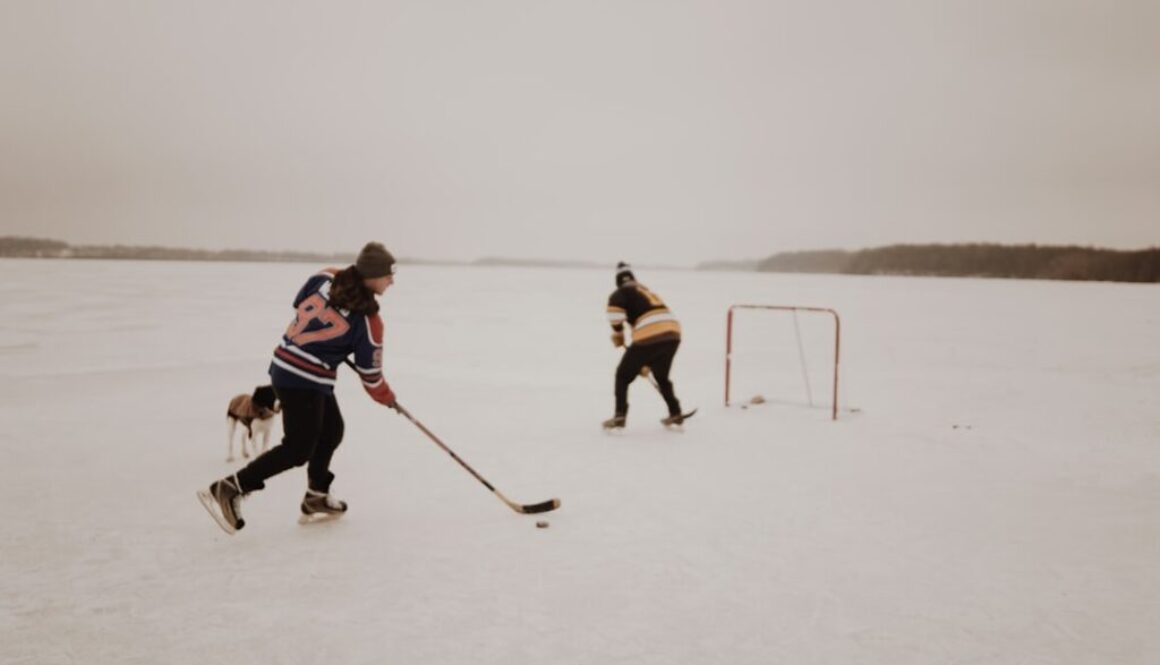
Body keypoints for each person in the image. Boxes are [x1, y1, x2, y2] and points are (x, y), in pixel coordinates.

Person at [198, 242, 399, 534]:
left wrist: (329, 343)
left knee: (331, 431)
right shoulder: (369, 322)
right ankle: (229, 488)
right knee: (297, 448)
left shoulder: (325, 276)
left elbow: (299, 305)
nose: (392, 281)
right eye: (387, 275)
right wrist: (389, 399)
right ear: (371, 275)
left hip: (284, 367)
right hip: (303, 381)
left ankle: (316, 496)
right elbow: (371, 376)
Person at [603, 261, 685, 429]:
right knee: (661, 376)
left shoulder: (621, 292)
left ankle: (620, 416)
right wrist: (644, 362)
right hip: (673, 333)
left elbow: (614, 311)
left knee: (623, 376)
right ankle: (675, 412)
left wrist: (618, 333)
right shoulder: (645, 291)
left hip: (649, 334)